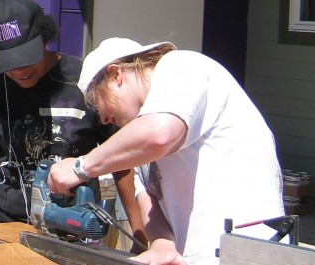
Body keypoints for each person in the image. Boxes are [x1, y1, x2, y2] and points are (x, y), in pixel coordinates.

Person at [47, 37, 285, 264]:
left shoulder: (181, 66)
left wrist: (81, 167)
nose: (103, 117)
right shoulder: (138, 141)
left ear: (116, 75)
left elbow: (160, 134)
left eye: (98, 102)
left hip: (246, 253)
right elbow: (150, 204)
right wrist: (162, 243)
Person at [0, 0, 147, 253]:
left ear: (44, 38)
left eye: (26, 59)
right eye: (9, 64)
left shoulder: (84, 81)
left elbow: (123, 165)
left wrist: (140, 239)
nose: (20, 71)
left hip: (74, 229)